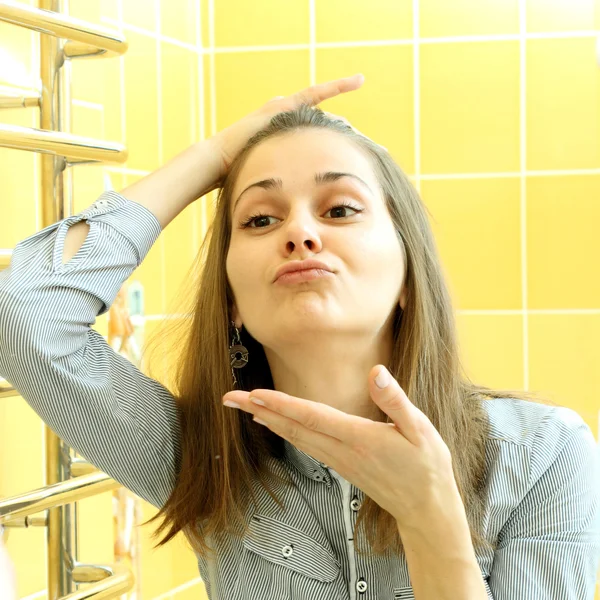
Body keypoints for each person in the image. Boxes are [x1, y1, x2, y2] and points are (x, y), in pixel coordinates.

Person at [0, 74, 599, 599]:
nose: (300, 233)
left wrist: (430, 517)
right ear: (232, 302)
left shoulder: (543, 456)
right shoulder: (200, 456)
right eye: (261, 218)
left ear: (409, 277)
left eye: (339, 210)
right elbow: (24, 312)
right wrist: (216, 154)